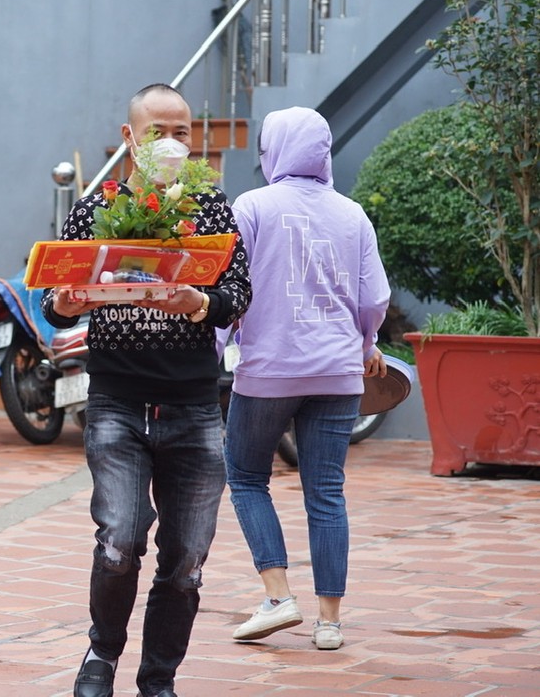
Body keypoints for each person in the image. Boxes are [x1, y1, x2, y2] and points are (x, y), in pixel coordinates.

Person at [43, 83, 251, 697]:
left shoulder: (211, 210)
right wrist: (65, 300)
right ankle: (100, 658)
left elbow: (237, 295)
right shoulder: (96, 207)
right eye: (157, 132)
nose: (171, 143)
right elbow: (58, 303)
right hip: (116, 402)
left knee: (186, 561)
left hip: (192, 405)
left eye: (182, 132)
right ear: (130, 139)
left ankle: (158, 678)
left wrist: (200, 302)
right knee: (120, 541)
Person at [224, 106, 390, 651]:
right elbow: (374, 297)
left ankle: (278, 596)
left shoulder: (249, 207)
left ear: (273, 149)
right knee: (326, 492)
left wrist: (217, 347)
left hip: (269, 369)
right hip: (340, 371)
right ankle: (329, 621)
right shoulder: (353, 214)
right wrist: (367, 345)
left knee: (248, 477)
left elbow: (227, 290)